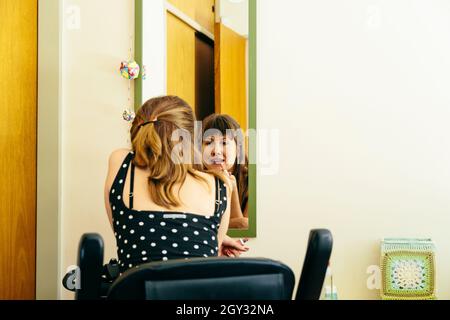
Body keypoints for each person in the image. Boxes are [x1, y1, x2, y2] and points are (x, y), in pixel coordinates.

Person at [104, 96, 247, 272]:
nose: (216, 150)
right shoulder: (219, 186)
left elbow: (124, 229)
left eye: (224, 142)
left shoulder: (120, 162)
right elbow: (208, 257)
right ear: (192, 140)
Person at [202, 114, 249, 229]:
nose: (216, 151)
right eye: (208, 143)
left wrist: (232, 189)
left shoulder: (251, 181)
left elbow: (244, 228)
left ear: (238, 149)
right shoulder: (194, 182)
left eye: (224, 143)